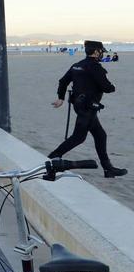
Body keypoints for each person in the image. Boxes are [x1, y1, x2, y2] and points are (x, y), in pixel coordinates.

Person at [47, 41, 126, 177]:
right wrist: (111, 86)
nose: (102, 53)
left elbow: (63, 81)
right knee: (78, 138)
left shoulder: (77, 65)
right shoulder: (95, 67)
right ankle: (52, 157)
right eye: (101, 51)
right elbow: (107, 88)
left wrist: (61, 98)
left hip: (80, 106)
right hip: (88, 108)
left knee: (100, 135)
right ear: (96, 52)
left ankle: (108, 169)